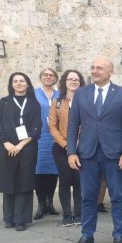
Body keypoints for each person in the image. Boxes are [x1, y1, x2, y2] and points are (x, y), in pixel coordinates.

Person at [67, 57, 122, 243]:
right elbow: (72, 125)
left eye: (99, 68)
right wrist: (71, 151)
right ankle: (87, 235)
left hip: (114, 154)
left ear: (110, 72)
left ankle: (119, 235)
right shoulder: (81, 94)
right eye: (93, 67)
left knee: (118, 197)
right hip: (87, 154)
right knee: (87, 196)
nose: (94, 71)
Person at [0, 72, 41, 231]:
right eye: (15, 81)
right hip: (5, 147)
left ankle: (21, 220)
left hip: (26, 147)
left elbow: (36, 128)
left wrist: (20, 145)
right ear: (11, 85)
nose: (19, 83)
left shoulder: (34, 104)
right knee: (8, 180)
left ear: (27, 84)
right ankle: (8, 218)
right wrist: (6, 143)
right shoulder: (3, 102)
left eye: (22, 81)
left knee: (24, 181)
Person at [48, 69, 85, 227]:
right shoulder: (57, 103)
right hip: (61, 148)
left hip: (81, 148)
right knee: (64, 181)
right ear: (65, 82)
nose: (73, 81)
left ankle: (78, 213)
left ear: (80, 82)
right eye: (70, 79)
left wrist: (79, 143)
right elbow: (52, 126)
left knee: (78, 182)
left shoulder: (85, 101)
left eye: (76, 79)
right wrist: (66, 144)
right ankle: (67, 215)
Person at [33, 67, 60, 219]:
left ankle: (50, 202)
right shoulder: (34, 93)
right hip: (39, 135)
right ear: (41, 77)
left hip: (55, 136)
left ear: (55, 78)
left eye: (51, 75)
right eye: (45, 75)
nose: (48, 77)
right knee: (39, 169)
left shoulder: (59, 94)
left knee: (53, 169)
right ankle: (41, 204)